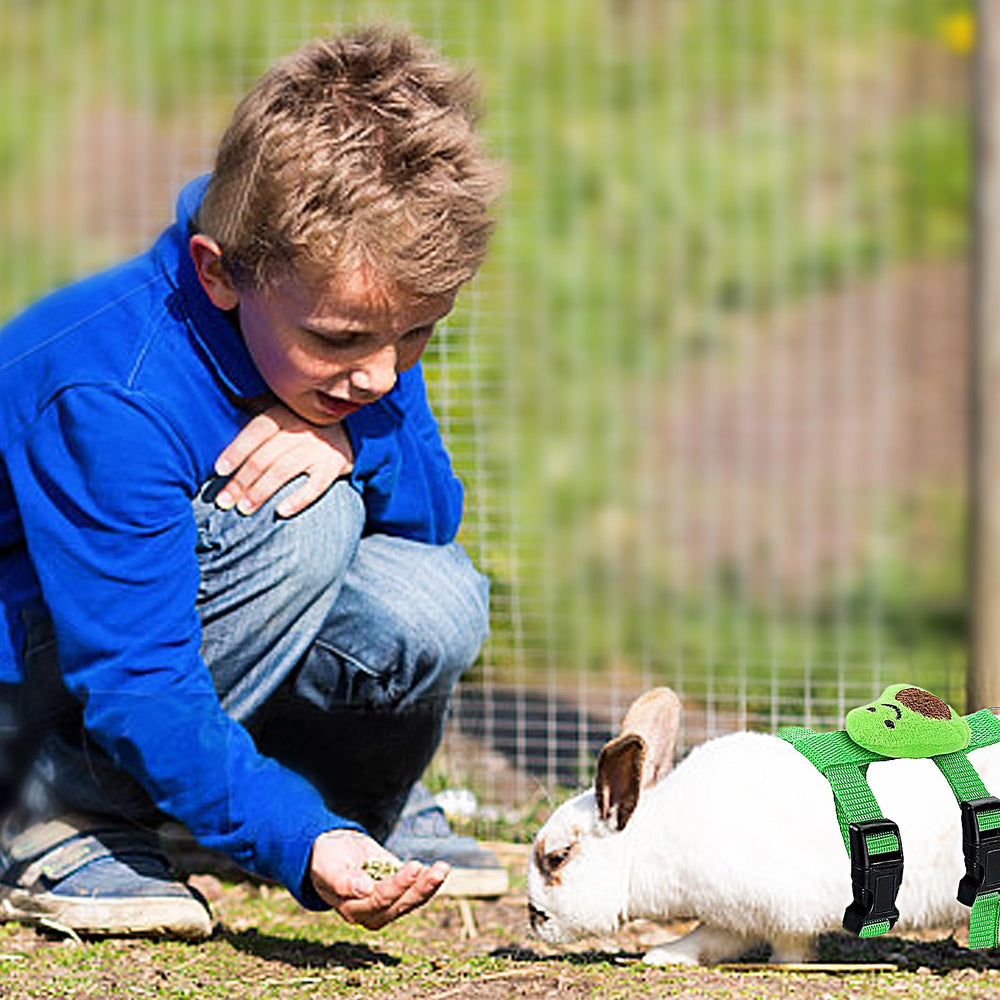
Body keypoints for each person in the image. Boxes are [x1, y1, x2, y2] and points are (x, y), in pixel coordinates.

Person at [0, 26, 505, 940]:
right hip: (39, 683)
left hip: (164, 652)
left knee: (434, 597)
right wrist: (294, 840)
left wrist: (354, 440)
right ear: (220, 273)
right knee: (304, 522)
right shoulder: (112, 391)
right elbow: (136, 671)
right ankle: (63, 812)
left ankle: (339, 799)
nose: (382, 374)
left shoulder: (357, 314)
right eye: (343, 340)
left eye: (418, 334)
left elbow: (430, 521)